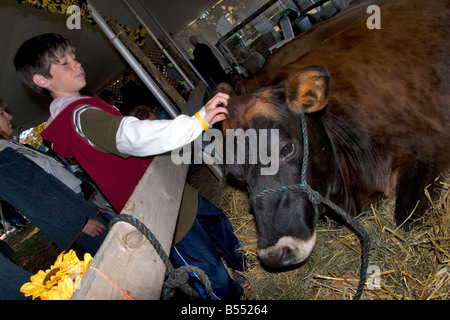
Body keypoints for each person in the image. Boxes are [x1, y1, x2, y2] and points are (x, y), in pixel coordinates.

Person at [14, 33, 245, 300]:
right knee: (211, 273)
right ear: (43, 80)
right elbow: (132, 136)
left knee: (218, 225)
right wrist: (197, 121)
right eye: (63, 63)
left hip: (168, 191)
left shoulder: (81, 109)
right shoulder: (79, 116)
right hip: (157, 210)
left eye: (74, 58)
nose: (76, 64)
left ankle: (245, 275)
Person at [0, 99, 107, 254]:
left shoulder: (9, 145)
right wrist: (80, 223)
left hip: (78, 204)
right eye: (2, 114)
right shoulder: (2, 159)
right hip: (74, 218)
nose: (9, 116)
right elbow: (34, 200)